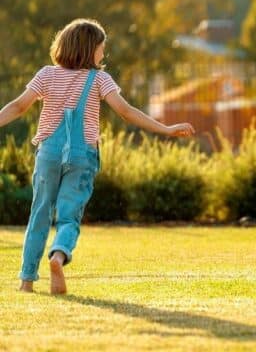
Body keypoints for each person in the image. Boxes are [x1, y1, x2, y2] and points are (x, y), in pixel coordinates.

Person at [0, 18, 194, 294]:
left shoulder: (46, 74)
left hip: (49, 155)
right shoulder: (100, 79)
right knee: (69, 216)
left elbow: (19, 106)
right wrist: (164, 128)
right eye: (101, 48)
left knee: (39, 213)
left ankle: (26, 280)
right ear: (90, 49)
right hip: (82, 156)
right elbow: (126, 112)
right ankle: (58, 255)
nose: (103, 54)